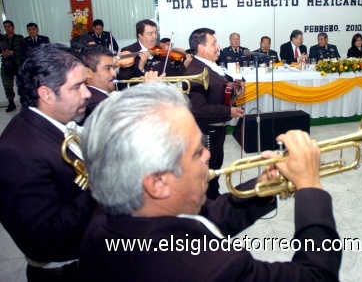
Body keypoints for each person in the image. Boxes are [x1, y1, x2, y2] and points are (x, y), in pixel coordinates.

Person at [78, 82, 342, 282]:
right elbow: (318, 275)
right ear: (157, 183)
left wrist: (264, 186)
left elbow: (206, 217)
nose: (208, 155)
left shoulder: (111, 214)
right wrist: (310, 187)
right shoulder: (215, 270)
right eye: (196, 152)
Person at [0, 43, 96, 281]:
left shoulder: (54, 125)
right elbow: (43, 241)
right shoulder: (17, 151)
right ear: (46, 94)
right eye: (77, 87)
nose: (87, 93)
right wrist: (103, 185)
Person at [184, 28, 244, 200]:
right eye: (214, 43)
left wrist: (235, 92)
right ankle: (207, 204)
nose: (218, 46)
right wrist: (229, 111)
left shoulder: (211, 66)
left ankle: (213, 198)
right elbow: (198, 108)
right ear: (201, 48)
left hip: (217, 127)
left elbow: (221, 90)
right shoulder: (196, 71)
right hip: (206, 129)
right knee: (207, 171)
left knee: (215, 167)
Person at [117, 20, 187, 88]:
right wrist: (140, 67)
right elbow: (125, 83)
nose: (154, 36)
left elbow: (171, 76)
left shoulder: (161, 50)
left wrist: (185, 64)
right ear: (140, 35)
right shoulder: (128, 51)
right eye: (150, 34)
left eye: (155, 33)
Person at [80, 44, 117, 120]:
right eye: (108, 68)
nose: (114, 73)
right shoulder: (94, 104)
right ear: (88, 73)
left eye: (113, 68)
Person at [1, 20, 24, 112]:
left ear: (13, 27)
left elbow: (22, 49)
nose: (7, 28)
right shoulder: (1, 39)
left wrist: (12, 52)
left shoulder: (19, 38)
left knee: (22, 83)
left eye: (9, 26)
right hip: (6, 64)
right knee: (6, 84)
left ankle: (26, 102)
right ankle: (11, 102)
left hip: (18, 63)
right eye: (5, 27)